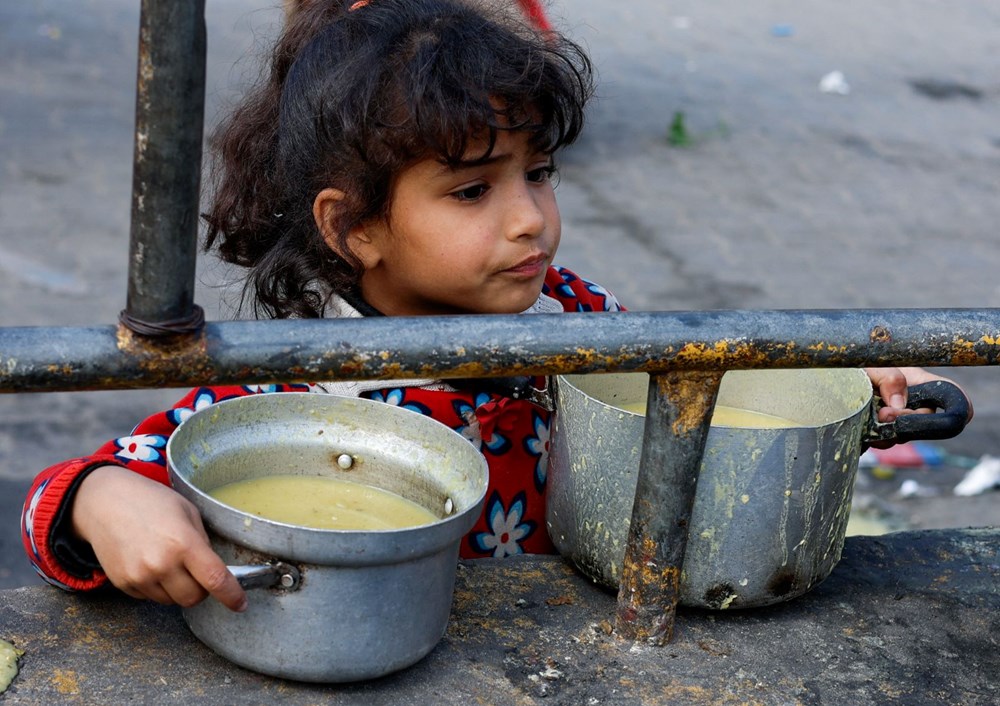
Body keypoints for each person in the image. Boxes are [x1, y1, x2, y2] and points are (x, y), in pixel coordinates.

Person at [19, 0, 970, 616]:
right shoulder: (293, 386)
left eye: (539, 173)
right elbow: (63, 498)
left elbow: (697, 394)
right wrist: (105, 501)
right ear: (354, 227)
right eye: (473, 191)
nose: (530, 220)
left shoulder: (572, 314)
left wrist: (833, 379)